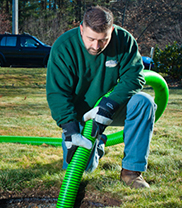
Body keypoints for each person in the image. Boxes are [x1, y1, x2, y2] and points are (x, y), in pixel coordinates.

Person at [46, 6, 156, 189]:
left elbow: (134, 77)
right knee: (81, 171)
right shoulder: (64, 47)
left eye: (103, 40)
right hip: (82, 116)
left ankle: (131, 172)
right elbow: (58, 93)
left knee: (144, 102)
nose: (96, 46)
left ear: (111, 31)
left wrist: (108, 106)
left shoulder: (124, 40)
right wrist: (70, 129)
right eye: (91, 39)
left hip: (113, 107)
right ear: (81, 29)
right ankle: (96, 144)